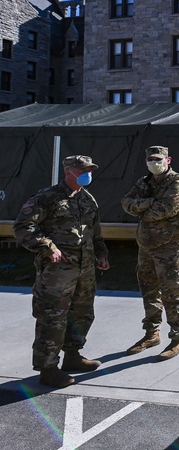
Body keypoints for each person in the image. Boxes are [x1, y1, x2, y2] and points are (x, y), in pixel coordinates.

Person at [14, 155, 110, 388]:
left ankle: (72, 356)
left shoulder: (88, 199)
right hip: (57, 273)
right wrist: (47, 246)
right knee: (52, 319)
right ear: (69, 171)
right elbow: (22, 227)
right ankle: (47, 369)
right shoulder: (47, 197)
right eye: (83, 169)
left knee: (82, 314)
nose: (88, 173)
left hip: (85, 270)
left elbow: (94, 233)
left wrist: (102, 253)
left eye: (89, 169)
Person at [121, 146, 179, 359]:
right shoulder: (144, 183)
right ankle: (152, 333)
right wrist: (150, 203)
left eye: (158, 159)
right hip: (146, 246)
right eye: (150, 159)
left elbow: (164, 210)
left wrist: (143, 208)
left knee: (173, 293)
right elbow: (126, 203)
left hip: (171, 247)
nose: (154, 162)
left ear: (168, 159)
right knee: (149, 291)